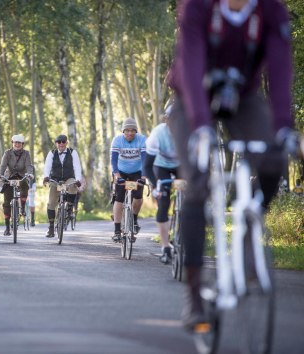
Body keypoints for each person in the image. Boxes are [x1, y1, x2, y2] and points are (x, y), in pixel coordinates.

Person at [168, 0, 295, 330]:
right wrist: (200, 126)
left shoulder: (271, 10)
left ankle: (248, 238)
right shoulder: (197, 7)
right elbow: (192, 63)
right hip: (191, 98)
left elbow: (280, 67)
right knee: (197, 183)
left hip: (242, 96)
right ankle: (194, 296)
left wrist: (284, 127)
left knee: (273, 157)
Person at [143, 105, 179, 264]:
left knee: (192, 197)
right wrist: (156, 185)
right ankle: (165, 247)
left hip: (182, 165)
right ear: (166, 119)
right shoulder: (157, 134)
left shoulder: (190, 131)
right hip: (161, 166)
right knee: (163, 203)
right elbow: (147, 166)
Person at [110, 118, 147, 242]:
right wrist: (117, 176)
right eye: (127, 130)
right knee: (119, 198)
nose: (130, 133)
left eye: (132, 131)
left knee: (138, 198)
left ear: (136, 131)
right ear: (123, 131)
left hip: (137, 172)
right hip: (121, 172)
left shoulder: (142, 139)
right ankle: (116, 231)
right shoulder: (117, 140)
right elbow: (113, 160)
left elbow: (145, 160)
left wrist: (143, 177)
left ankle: (134, 219)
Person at [42, 134, 82, 238]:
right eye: (59, 142)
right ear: (56, 143)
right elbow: (47, 166)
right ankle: (51, 227)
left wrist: (78, 179)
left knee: (73, 185)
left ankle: (69, 207)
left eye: (63, 142)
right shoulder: (51, 153)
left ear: (66, 143)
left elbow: (77, 167)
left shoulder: (72, 152)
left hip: (69, 178)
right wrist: (46, 177)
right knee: (51, 203)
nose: (61, 144)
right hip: (55, 180)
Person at [0, 134, 33, 236]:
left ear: (22, 144)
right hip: (9, 177)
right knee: (7, 202)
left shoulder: (26, 154)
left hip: (21, 176)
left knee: (24, 183)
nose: (17, 144)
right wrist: (0, 175)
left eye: (19, 143)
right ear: (12, 143)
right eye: (15, 142)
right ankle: (7, 227)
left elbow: (29, 166)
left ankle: (22, 207)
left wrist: (30, 174)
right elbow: (2, 166)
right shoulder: (7, 153)